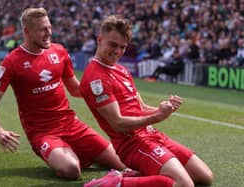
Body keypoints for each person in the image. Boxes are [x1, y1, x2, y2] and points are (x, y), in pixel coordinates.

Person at [0, 7, 132, 180]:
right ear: (27, 31)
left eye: (49, 28)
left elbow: (76, 90)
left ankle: (80, 154)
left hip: (72, 125)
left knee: (125, 163)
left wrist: (105, 89)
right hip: (42, 133)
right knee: (71, 170)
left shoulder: (59, 51)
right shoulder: (12, 61)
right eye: (42, 29)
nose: (48, 33)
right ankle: (71, 156)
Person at [80, 15, 214, 187]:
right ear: (99, 40)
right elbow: (118, 123)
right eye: (113, 45)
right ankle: (116, 183)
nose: (118, 51)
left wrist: (164, 109)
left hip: (151, 135)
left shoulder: (121, 70)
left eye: (122, 47)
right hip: (132, 144)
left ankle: (133, 176)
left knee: (205, 177)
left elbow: (141, 107)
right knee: (184, 184)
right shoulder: (95, 78)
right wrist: (157, 117)